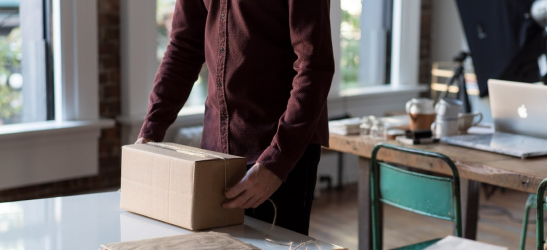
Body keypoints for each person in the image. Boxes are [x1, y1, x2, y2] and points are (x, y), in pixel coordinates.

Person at [136, 0, 334, 236]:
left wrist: (277, 162)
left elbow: (314, 67)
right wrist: (150, 132)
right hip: (214, 153)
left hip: (278, 151)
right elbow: (183, 48)